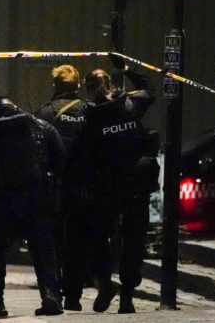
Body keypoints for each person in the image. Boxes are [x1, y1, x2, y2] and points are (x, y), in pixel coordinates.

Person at [0, 97, 66, 319]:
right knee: (44, 249)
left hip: (7, 202)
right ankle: (51, 295)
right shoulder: (43, 128)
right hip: (38, 201)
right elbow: (61, 162)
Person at [82, 54, 156, 314]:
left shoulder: (89, 117)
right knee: (134, 241)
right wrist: (127, 68)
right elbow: (150, 90)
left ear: (89, 90)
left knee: (99, 238)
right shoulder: (131, 105)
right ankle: (127, 296)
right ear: (112, 86)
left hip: (106, 187)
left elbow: (82, 156)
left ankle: (105, 284)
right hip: (136, 184)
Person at [37, 64, 89, 311]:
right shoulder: (89, 112)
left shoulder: (45, 114)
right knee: (77, 242)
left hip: (52, 188)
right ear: (78, 86)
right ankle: (74, 296)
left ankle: (53, 293)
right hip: (83, 187)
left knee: (52, 242)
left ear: (55, 86)